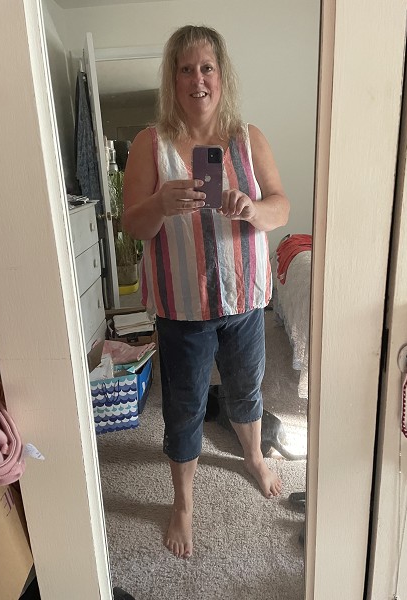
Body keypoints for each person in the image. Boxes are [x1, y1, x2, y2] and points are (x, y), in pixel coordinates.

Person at [123, 24, 290, 560]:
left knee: (246, 386)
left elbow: (281, 207)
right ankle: (183, 502)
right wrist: (159, 204)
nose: (198, 79)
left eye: (207, 68)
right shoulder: (149, 144)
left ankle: (254, 457)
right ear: (172, 79)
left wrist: (252, 208)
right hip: (182, 306)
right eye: (186, 69)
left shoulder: (247, 138)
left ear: (222, 75)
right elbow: (132, 225)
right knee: (185, 403)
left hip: (243, 299)